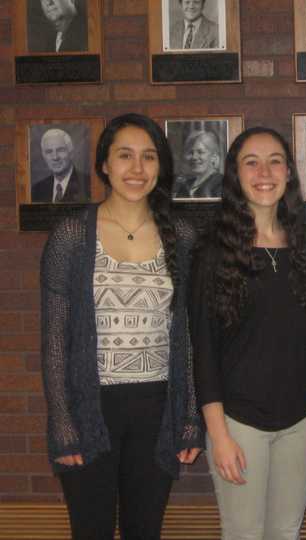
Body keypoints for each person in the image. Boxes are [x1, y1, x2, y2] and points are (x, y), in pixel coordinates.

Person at [40, 113, 203, 540]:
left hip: (156, 408)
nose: (137, 168)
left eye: (148, 157)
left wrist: (188, 417)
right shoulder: (72, 235)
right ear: (104, 165)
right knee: (90, 530)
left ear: (160, 167)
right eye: (125, 156)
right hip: (91, 409)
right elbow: (55, 339)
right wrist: (62, 424)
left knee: (144, 530)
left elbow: (187, 335)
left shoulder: (181, 236)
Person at [190, 127, 306, 539]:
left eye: (274, 161)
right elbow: (203, 350)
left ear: (288, 172)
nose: (264, 172)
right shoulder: (213, 251)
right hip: (239, 424)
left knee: (285, 533)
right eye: (251, 162)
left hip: (300, 422)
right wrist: (218, 435)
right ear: (235, 174)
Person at [32, 128, 90, 203]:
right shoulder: (37, 189)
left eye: (60, 150)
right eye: (49, 152)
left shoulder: (88, 185)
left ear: (71, 153)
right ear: (44, 156)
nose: (55, 157)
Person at [173, 130, 223, 198]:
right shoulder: (184, 185)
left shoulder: (222, 183)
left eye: (200, 152)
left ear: (213, 157)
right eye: (191, 152)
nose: (194, 157)